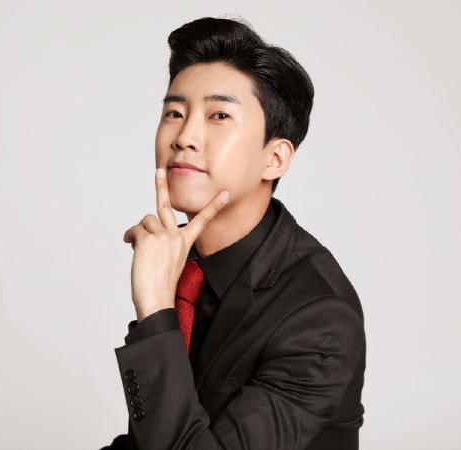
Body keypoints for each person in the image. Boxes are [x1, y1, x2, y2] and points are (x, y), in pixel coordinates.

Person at [101, 15, 366, 450]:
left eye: (219, 115)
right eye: (174, 113)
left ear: (275, 159)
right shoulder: (178, 260)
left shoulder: (320, 318)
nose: (185, 137)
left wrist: (154, 311)